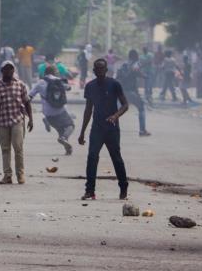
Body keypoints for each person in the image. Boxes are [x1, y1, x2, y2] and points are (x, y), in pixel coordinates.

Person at [79, 59, 129, 201]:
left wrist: (115, 116)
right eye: (97, 69)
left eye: (102, 69)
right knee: (92, 157)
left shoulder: (114, 84)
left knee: (116, 158)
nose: (100, 71)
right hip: (97, 128)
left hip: (112, 128)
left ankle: (123, 187)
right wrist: (82, 132)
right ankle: (90, 191)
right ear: (94, 71)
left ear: (106, 70)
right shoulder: (90, 86)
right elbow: (88, 110)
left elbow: (125, 105)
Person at [0, 61, 33, 185]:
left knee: (18, 147)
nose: (9, 71)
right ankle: (7, 176)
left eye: (11, 69)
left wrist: (31, 119)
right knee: (5, 149)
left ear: (13, 70)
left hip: (17, 120)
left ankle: (20, 175)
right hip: (3, 121)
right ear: (2, 71)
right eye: (6, 69)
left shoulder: (20, 85)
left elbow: (27, 102)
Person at [30, 65, 75, 155]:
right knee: (70, 126)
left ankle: (67, 148)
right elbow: (69, 88)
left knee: (61, 130)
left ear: (45, 73)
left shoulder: (40, 83)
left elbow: (30, 95)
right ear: (55, 73)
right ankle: (64, 139)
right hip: (60, 111)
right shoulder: (58, 81)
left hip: (48, 113)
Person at [116, 50, 150, 136]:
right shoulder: (135, 64)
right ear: (136, 56)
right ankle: (142, 131)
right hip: (131, 91)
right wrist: (146, 76)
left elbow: (117, 77)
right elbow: (140, 74)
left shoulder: (123, 65)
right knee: (141, 108)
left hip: (121, 91)